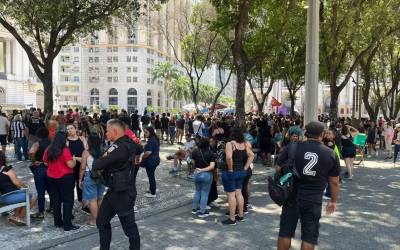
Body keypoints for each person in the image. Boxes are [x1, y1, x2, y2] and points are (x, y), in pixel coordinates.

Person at [276, 121, 340, 250]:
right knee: (309, 237)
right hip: (313, 199)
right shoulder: (330, 153)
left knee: (285, 232)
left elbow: (278, 167)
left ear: (305, 132)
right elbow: (334, 181)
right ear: (322, 135)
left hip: (292, 195)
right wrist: (333, 200)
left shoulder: (293, 147)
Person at [92, 119, 140, 250]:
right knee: (101, 221)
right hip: (114, 192)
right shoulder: (129, 143)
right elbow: (139, 149)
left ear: (115, 131)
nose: (106, 133)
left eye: (107, 131)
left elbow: (97, 164)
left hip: (123, 195)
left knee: (130, 229)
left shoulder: (118, 147)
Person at [43, 131, 79, 231]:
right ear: (64, 140)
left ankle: (58, 222)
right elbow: (70, 165)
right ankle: (68, 225)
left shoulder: (49, 149)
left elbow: (45, 163)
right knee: (68, 201)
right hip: (65, 178)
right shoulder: (65, 150)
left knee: (56, 200)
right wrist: (74, 160)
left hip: (51, 177)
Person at [221, 127, 254, 225]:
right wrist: (245, 167)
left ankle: (232, 219)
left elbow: (229, 157)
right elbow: (252, 155)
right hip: (241, 172)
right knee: (238, 193)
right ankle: (240, 215)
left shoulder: (230, 144)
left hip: (231, 172)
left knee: (231, 195)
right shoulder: (244, 144)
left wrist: (230, 169)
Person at [0, 152, 35, 225]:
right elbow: (17, 183)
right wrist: (25, 187)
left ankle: (16, 216)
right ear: (3, 159)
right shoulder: (7, 170)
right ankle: (19, 217)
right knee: (31, 196)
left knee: (21, 193)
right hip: (6, 197)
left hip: (2, 196)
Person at [79, 133, 105, 226]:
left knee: (92, 199)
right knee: (100, 198)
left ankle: (94, 221)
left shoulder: (86, 152)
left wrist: (80, 180)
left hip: (90, 176)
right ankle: (102, 218)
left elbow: (82, 167)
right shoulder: (103, 151)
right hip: (101, 176)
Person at [29, 127, 52, 219]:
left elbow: (31, 152)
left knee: (41, 191)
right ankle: (52, 207)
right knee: (52, 190)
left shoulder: (37, 143)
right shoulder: (52, 143)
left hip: (40, 168)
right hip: (51, 168)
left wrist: (34, 161)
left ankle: (41, 212)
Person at [191, 138, 215, 218]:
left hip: (197, 173)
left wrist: (197, 169)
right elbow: (212, 167)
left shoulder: (195, 152)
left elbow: (193, 162)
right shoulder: (211, 153)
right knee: (204, 193)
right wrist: (203, 169)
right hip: (207, 174)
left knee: (197, 191)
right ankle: (202, 212)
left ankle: (194, 209)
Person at [66, 124, 88, 211]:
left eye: (71, 128)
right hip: (71, 166)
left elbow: (87, 150)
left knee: (82, 185)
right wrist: (75, 159)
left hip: (81, 165)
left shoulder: (82, 139)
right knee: (70, 186)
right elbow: (65, 155)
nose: (69, 130)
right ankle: (69, 207)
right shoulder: (66, 141)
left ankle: (84, 204)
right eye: (68, 129)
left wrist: (80, 159)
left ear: (76, 129)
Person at [141, 127, 161, 198]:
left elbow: (148, 152)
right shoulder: (154, 138)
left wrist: (142, 158)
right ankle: (151, 188)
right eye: (144, 132)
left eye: (146, 132)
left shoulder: (152, 140)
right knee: (151, 176)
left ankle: (153, 193)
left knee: (151, 176)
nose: (145, 134)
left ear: (150, 132)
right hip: (155, 159)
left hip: (151, 161)